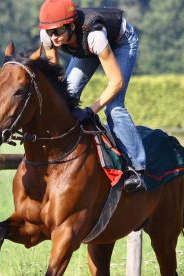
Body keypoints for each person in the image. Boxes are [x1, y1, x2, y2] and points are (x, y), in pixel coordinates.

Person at [39, 0, 146, 192]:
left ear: (71, 26)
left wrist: (90, 110)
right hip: (87, 48)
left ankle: (137, 169)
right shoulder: (47, 35)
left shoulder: (94, 36)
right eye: (49, 32)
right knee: (66, 96)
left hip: (121, 41)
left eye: (58, 31)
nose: (53, 37)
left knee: (114, 107)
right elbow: (57, 78)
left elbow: (116, 83)